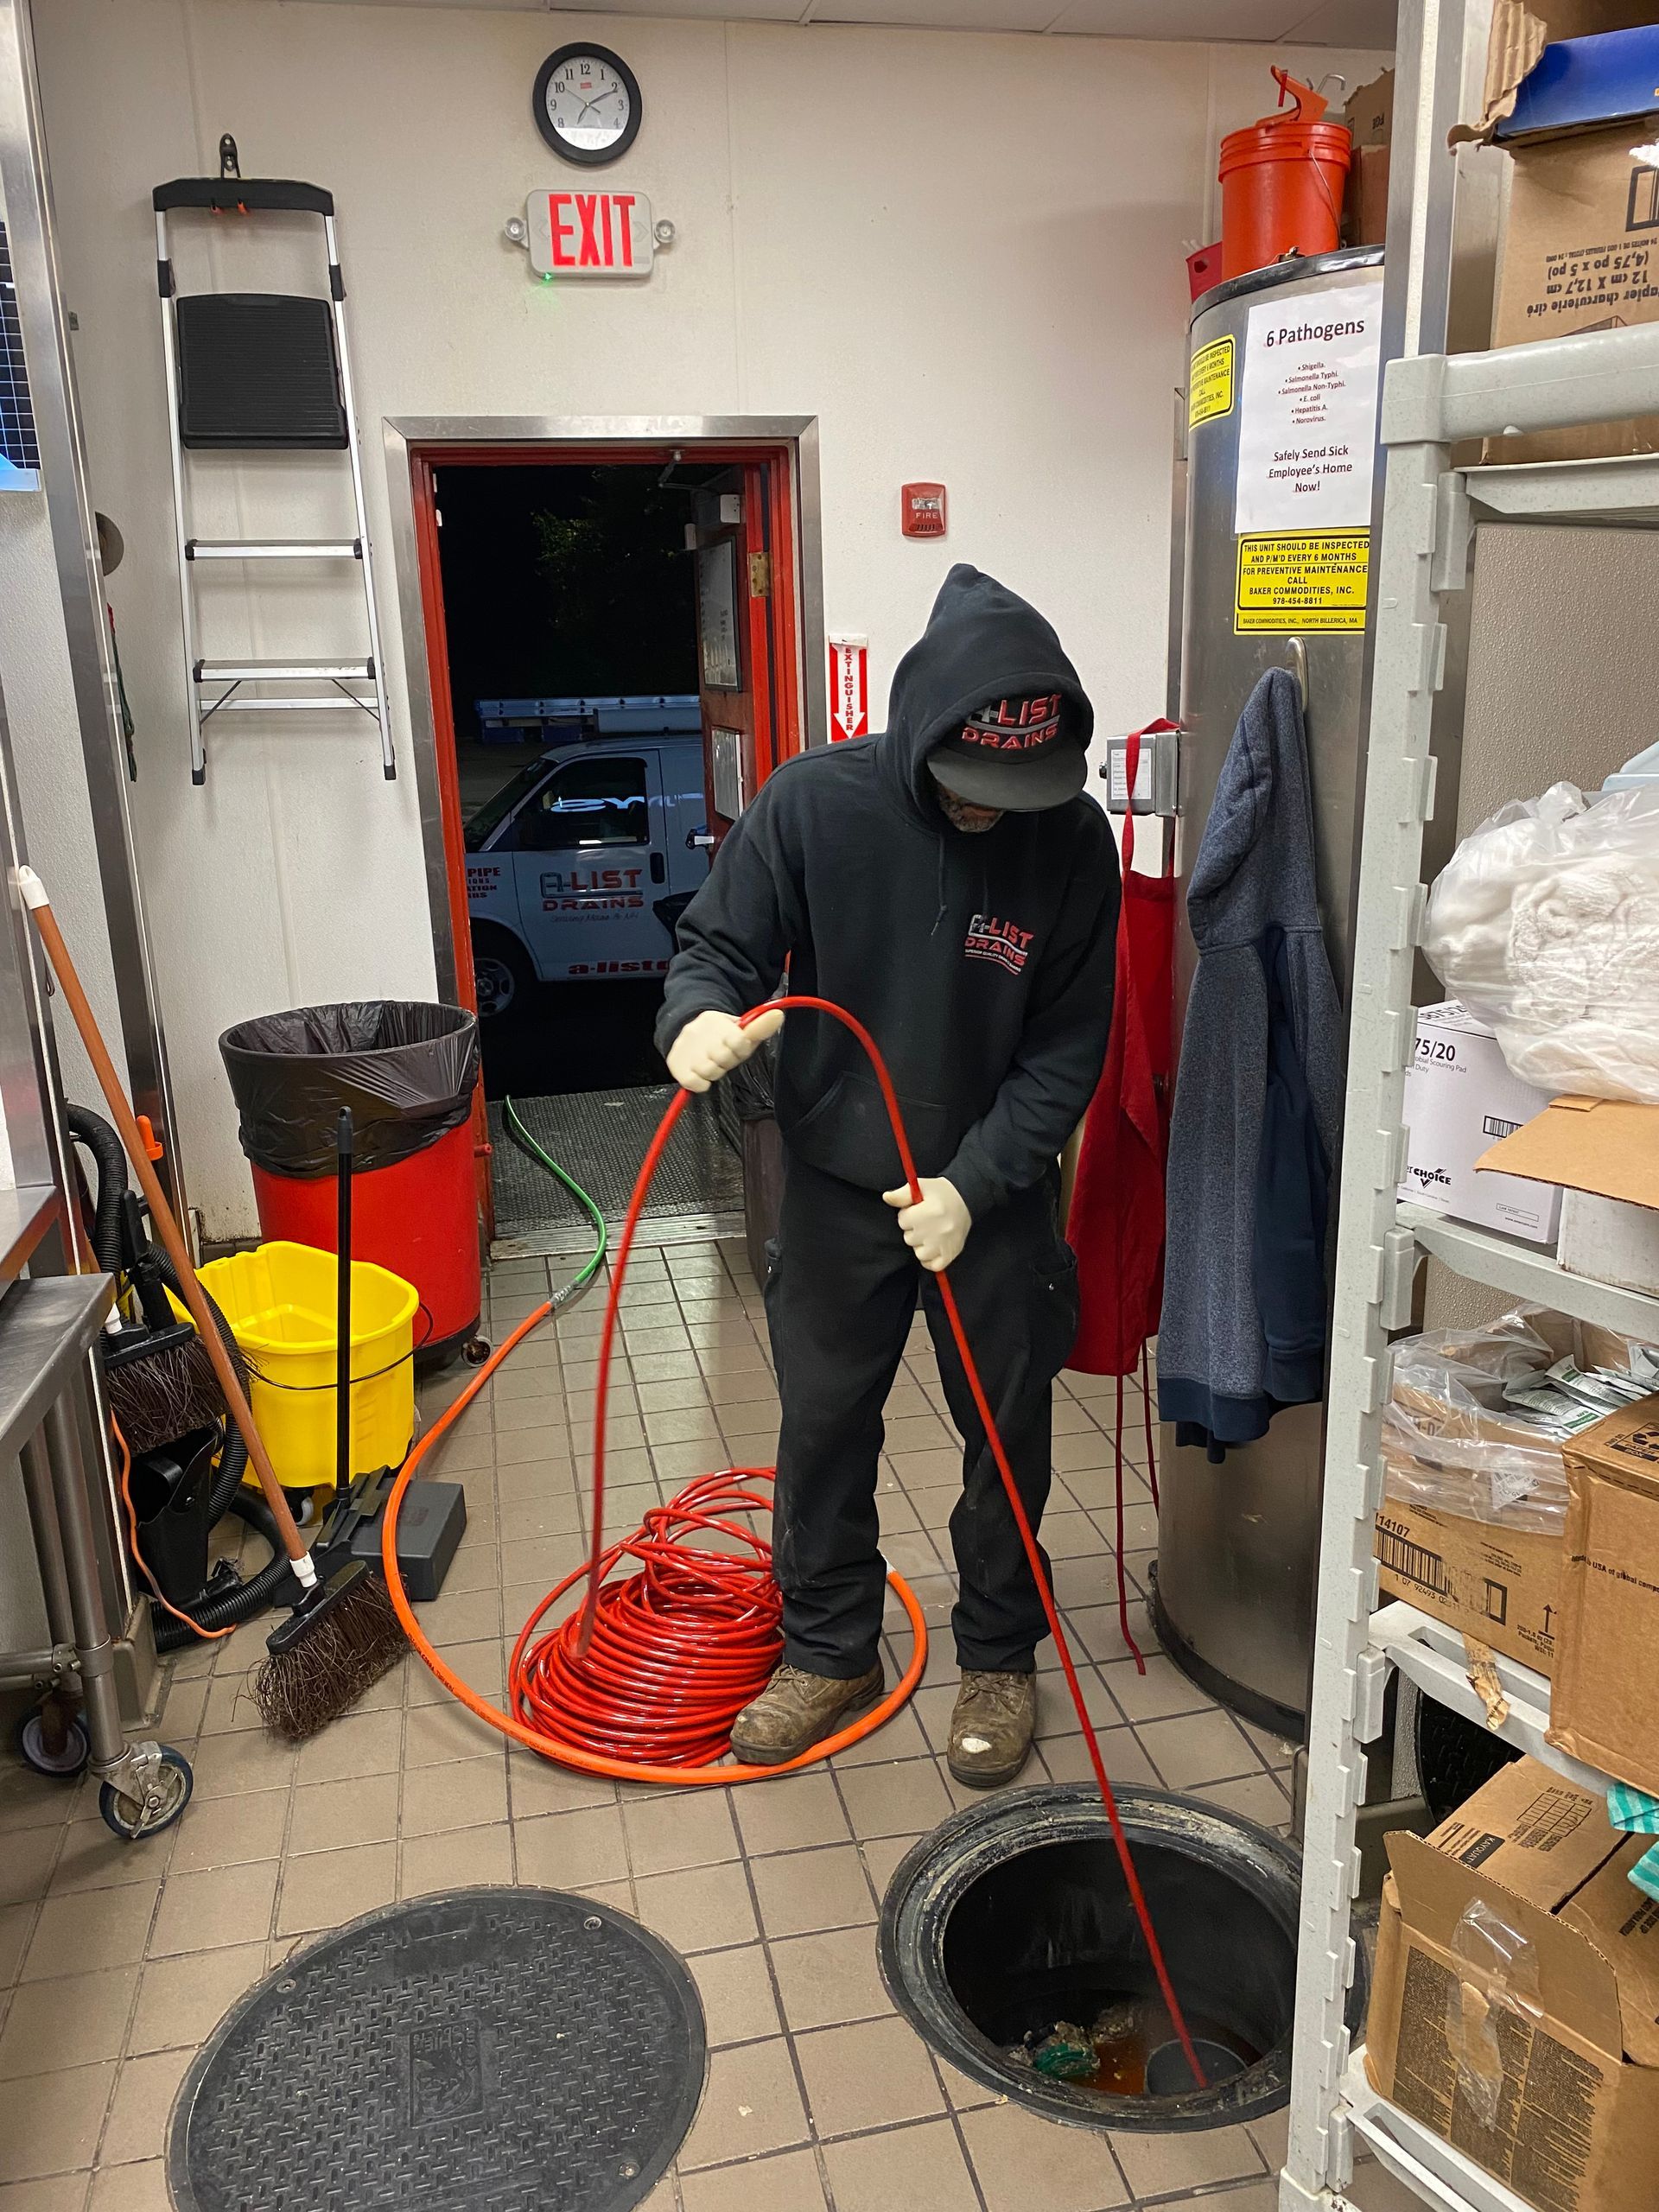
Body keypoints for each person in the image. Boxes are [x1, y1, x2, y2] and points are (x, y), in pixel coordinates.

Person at [657, 565, 1119, 1786]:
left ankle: (1000, 1658)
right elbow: (716, 944)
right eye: (972, 790)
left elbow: (1069, 1045)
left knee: (1005, 1434)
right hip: (835, 1180)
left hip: (992, 1198)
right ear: (921, 734)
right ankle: (827, 1648)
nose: (990, 815)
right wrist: (695, 1016)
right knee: (821, 1424)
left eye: (1015, 795)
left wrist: (974, 1185)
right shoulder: (813, 805)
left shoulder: (1070, 842)